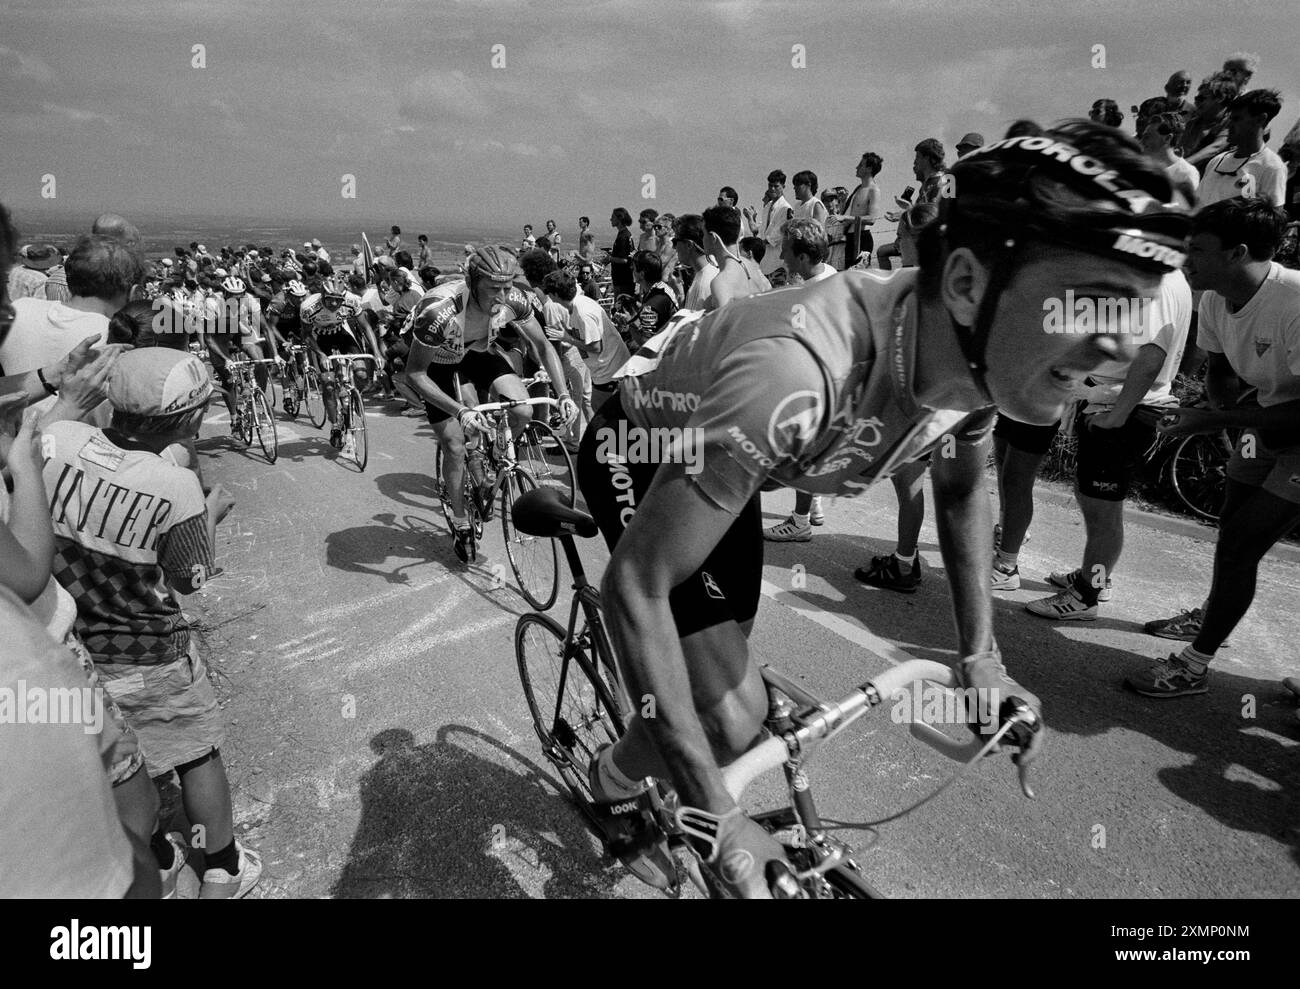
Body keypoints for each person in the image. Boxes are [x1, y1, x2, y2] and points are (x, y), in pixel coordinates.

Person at [574, 120, 1186, 896]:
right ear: (964, 284)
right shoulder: (798, 373)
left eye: (1133, 312)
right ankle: (611, 777)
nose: (1120, 347)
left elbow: (963, 488)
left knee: (714, 690)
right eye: (1089, 307)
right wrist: (717, 817)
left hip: (736, 456)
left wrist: (981, 659)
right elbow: (639, 586)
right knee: (728, 721)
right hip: (647, 447)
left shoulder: (971, 359)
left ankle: (643, 759)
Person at [43, 347, 261, 898]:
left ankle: (159, 857)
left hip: (73, 645)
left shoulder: (58, 439)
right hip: (148, 648)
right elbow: (189, 578)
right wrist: (209, 513)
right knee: (196, 751)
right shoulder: (174, 485)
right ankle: (223, 865)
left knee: (113, 763)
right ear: (189, 419)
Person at [1138, 199, 1300, 678]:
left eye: (1198, 249)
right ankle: (1213, 620)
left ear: (1238, 253)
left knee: (1241, 544)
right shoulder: (1212, 297)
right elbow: (1221, 374)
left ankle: (1193, 666)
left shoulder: (1294, 301)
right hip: (1267, 423)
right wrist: (1214, 414)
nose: (1187, 258)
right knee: (1231, 533)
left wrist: (1207, 422)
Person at [1025, 267, 1192, 620]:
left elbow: (1151, 355)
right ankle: (1097, 574)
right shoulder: (1174, 278)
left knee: (1103, 509)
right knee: (1093, 498)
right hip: (1115, 403)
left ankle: (1086, 596)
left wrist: (1117, 414)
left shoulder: (1158, 282)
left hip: (1120, 409)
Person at [399, 246, 577, 562]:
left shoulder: (514, 298)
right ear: (471, 281)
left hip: (478, 353)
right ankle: (461, 521)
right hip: (438, 363)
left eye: (507, 286)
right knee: (454, 445)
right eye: (494, 288)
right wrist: (461, 411)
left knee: (522, 409)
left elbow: (543, 346)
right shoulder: (439, 309)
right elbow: (415, 373)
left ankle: (493, 456)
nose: (503, 295)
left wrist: (563, 394)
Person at [0, 234, 140, 425]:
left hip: (9, 431)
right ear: (134, 292)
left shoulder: (19, 309)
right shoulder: (115, 340)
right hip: (73, 444)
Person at [301, 276, 369, 455]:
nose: (333, 303)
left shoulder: (352, 301)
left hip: (342, 334)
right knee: (328, 383)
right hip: (320, 340)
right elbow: (306, 335)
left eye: (338, 300)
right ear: (322, 296)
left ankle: (355, 398)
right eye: (329, 299)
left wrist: (377, 353)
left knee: (361, 374)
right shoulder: (309, 307)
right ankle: (336, 425)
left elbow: (366, 327)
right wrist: (321, 354)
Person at [548, 268, 630, 413]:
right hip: (603, 369)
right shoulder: (575, 304)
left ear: (555, 294)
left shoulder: (582, 312)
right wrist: (567, 331)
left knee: (602, 410)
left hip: (610, 369)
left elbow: (596, 347)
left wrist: (567, 338)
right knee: (600, 409)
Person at [1198, 90, 1287, 207]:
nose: (1229, 125)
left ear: (1260, 119)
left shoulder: (1272, 168)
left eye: (1236, 119)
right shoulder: (1217, 160)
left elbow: (1273, 219)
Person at [703, 204, 770, 310]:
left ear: (713, 238)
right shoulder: (752, 267)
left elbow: (725, 325)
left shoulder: (722, 281)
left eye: (703, 234)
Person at [832, 152, 883, 269]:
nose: (857, 167)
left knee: (858, 277)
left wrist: (846, 218)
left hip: (862, 238)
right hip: (850, 238)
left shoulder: (874, 190)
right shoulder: (858, 188)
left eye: (861, 165)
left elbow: (872, 218)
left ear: (869, 169)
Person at [1141, 112, 1199, 205]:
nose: (1142, 141)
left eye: (1147, 136)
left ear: (1167, 138)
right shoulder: (1144, 170)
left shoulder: (1186, 173)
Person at [752, 169, 793, 281]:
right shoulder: (767, 206)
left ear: (783, 186)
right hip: (764, 259)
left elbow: (779, 232)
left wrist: (761, 242)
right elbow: (762, 229)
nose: (772, 189)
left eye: (776, 186)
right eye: (770, 186)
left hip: (778, 260)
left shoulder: (786, 208)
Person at [673, 214, 719, 310]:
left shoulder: (704, 283)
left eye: (675, 241)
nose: (674, 247)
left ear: (689, 245)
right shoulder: (712, 270)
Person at [607, 207, 635, 299]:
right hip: (623, 280)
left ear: (619, 219)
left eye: (613, 217)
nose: (611, 219)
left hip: (622, 280)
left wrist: (609, 259)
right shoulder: (624, 234)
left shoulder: (623, 236)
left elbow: (624, 260)